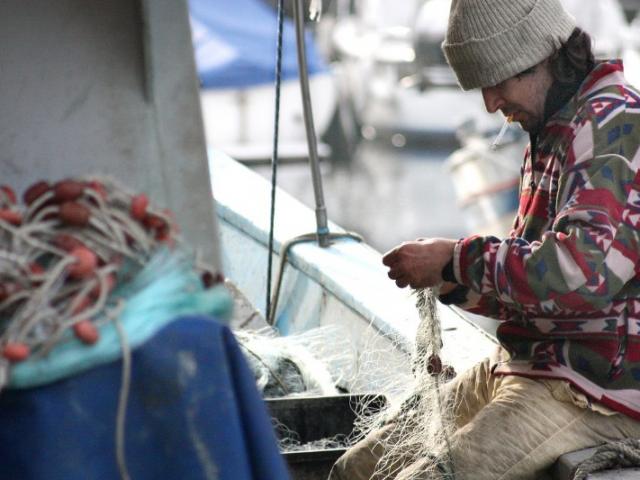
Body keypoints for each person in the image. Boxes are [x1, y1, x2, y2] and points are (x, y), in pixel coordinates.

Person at [329, 0, 640, 478]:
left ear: (545, 58)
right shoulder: (555, 125)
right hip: (534, 361)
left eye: (498, 82)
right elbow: (536, 284)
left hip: (599, 386)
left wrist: (455, 261)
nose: (491, 104)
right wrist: (450, 282)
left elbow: (581, 273)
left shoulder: (612, 123)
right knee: (356, 469)